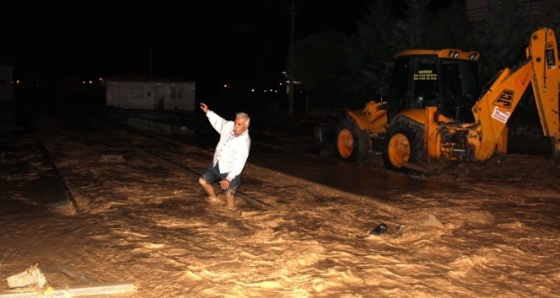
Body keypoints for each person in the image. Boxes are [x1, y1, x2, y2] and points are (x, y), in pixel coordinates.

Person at [198, 103, 251, 210]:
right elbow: (220, 122)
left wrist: (228, 178)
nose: (235, 126)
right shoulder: (230, 126)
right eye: (236, 122)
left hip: (230, 170)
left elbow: (239, 162)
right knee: (203, 181)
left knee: (229, 195)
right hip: (217, 163)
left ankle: (231, 215)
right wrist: (208, 112)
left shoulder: (244, 142)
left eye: (239, 124)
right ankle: (214, 199)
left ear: (246, 126)